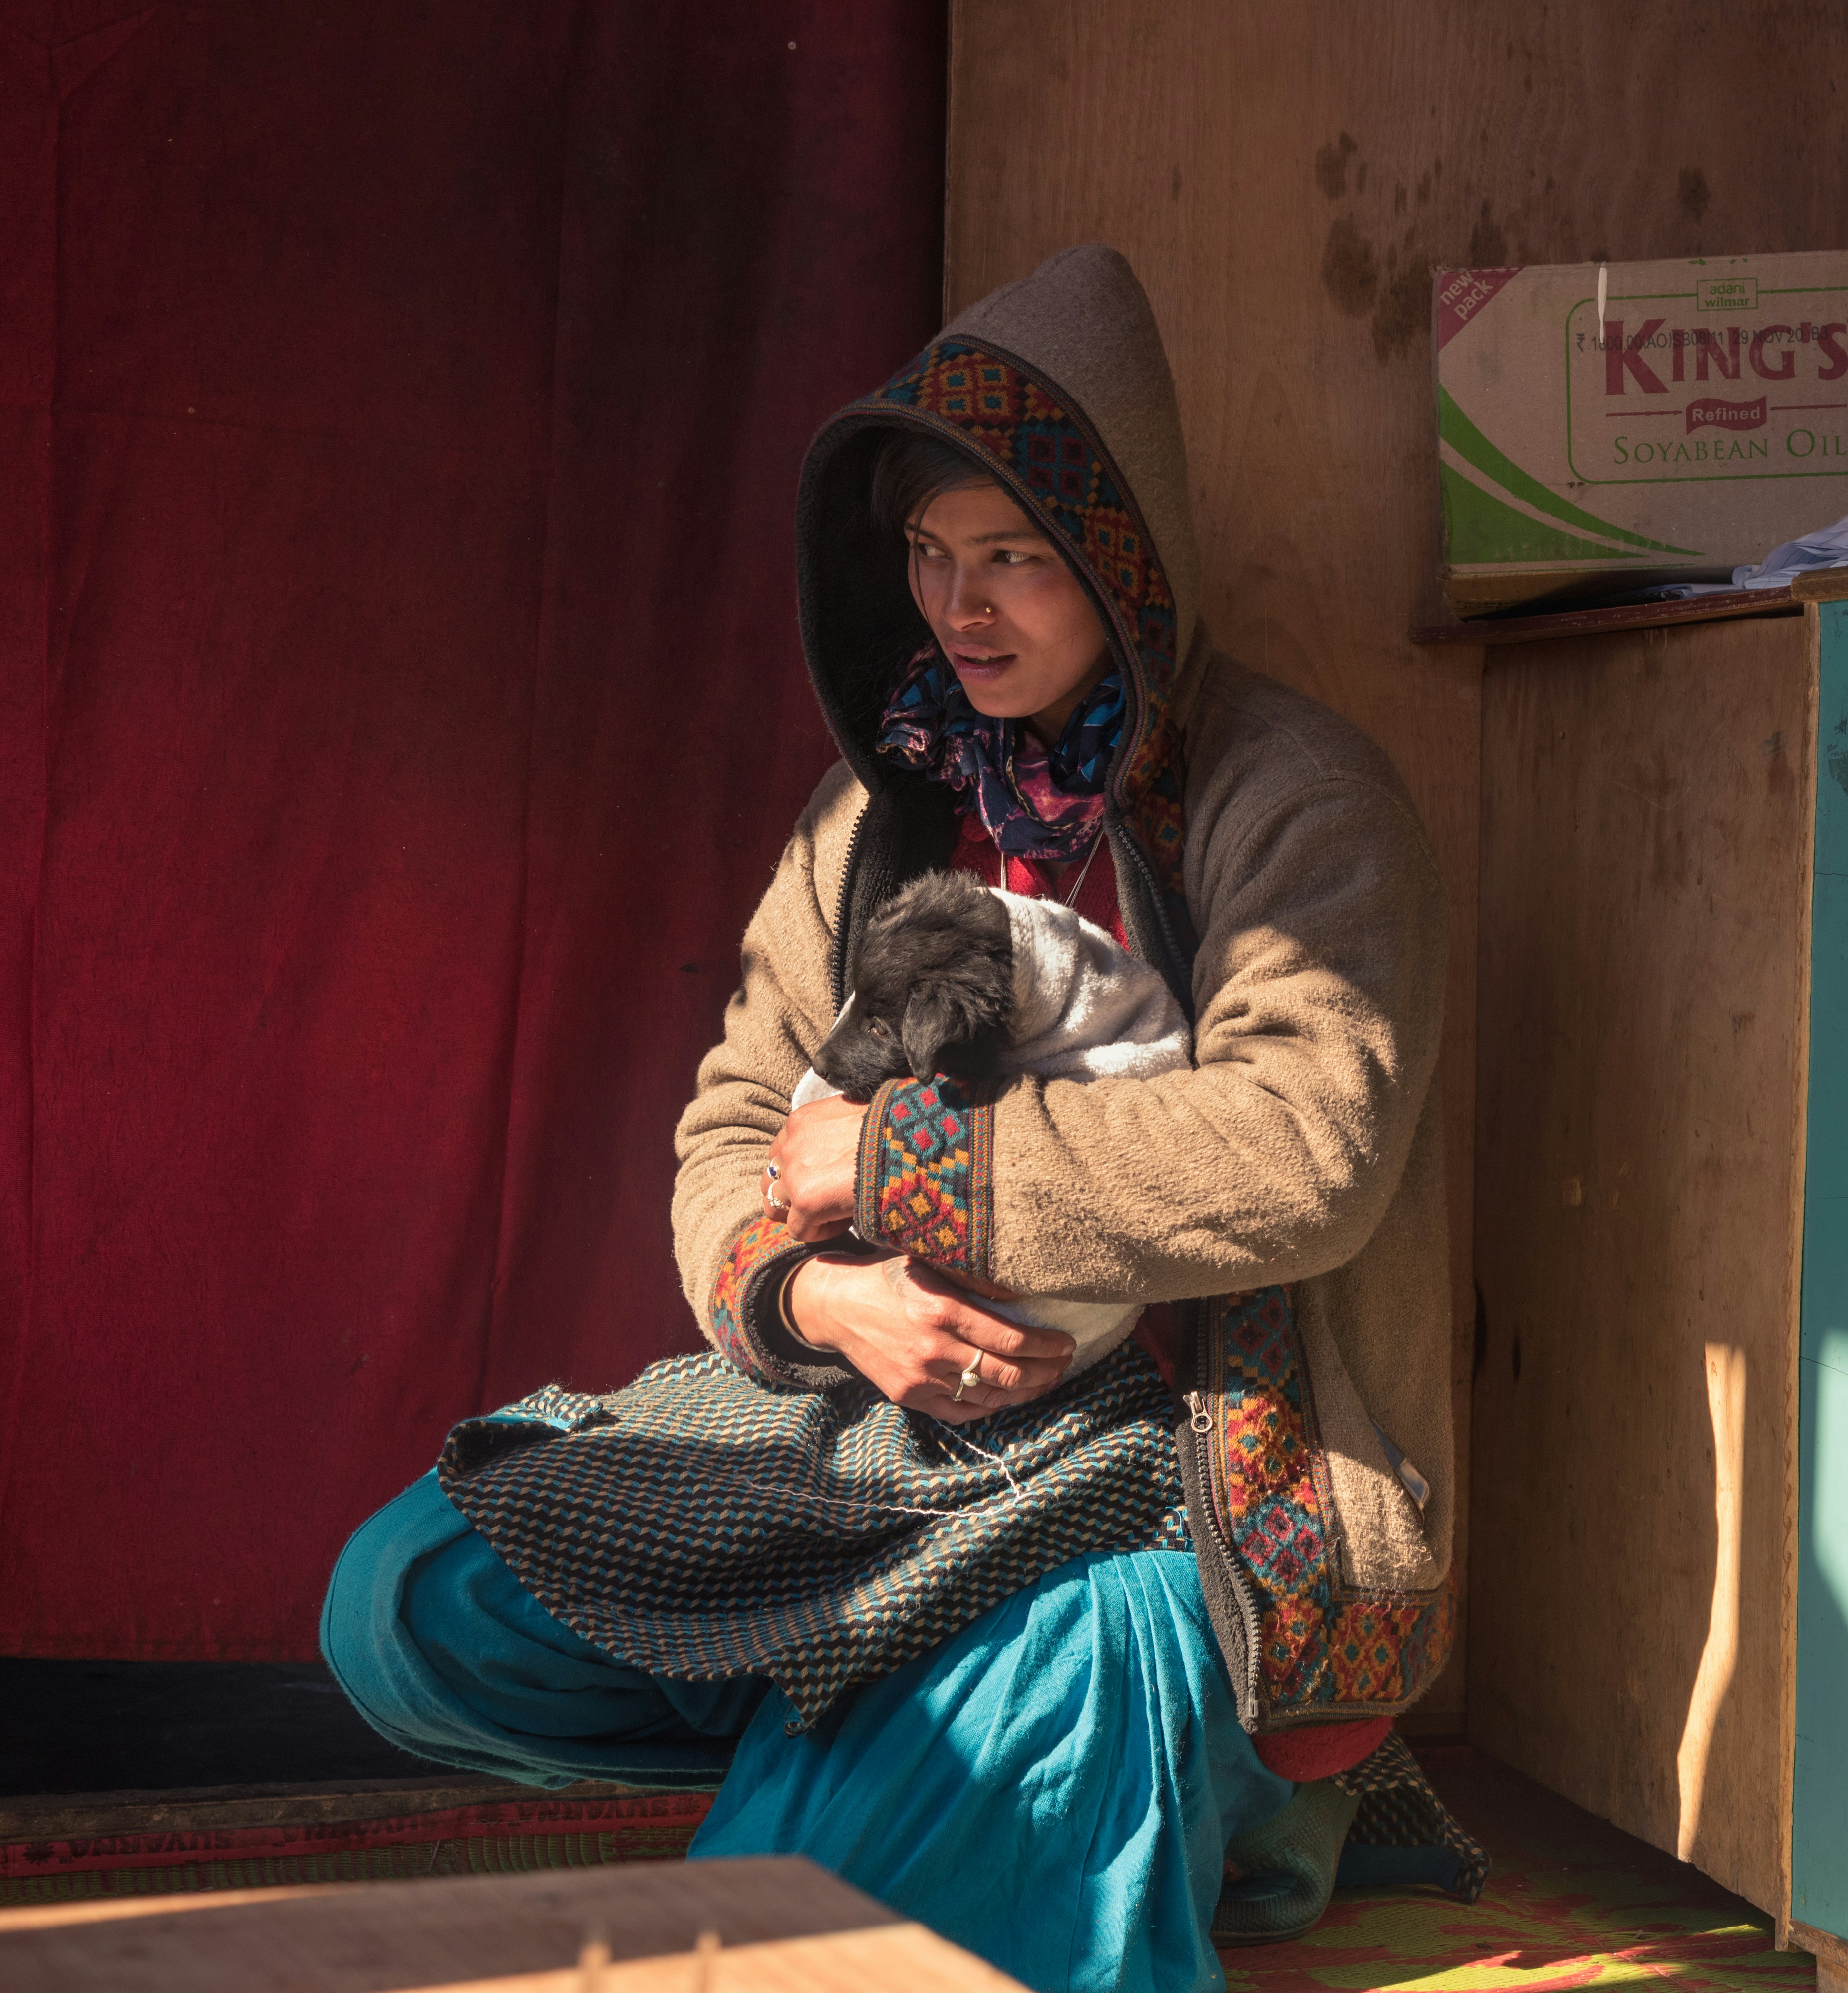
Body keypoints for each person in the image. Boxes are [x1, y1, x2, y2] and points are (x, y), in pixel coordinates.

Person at [322, 244, 1470, 1990]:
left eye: (1013, 556)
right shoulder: (877, 816)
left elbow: (1310, 1154)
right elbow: (729, 1126)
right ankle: (891, 1733)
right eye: (932, 558)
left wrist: (908, 1167)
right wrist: (808, 1297)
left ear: (1120, 558)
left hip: (1163, 1485)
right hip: (884, 1452)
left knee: (828, 1915)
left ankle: (1154, 1777)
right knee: (413, 1599)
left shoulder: (1292, 803)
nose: (964, 609)